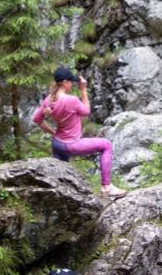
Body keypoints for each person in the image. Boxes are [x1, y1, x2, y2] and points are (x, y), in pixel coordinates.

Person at [32, 66, 126, 198]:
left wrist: (53, 133)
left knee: (61, 179)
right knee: (106, 145)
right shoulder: (71, 100)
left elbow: (37, 119)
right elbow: (86, 111)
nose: (72, 84)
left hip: (57, 144)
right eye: (71, 81)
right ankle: (107, 188)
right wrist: (83, 90)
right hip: (71, 144)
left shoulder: (49, 99)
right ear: (65, 83)